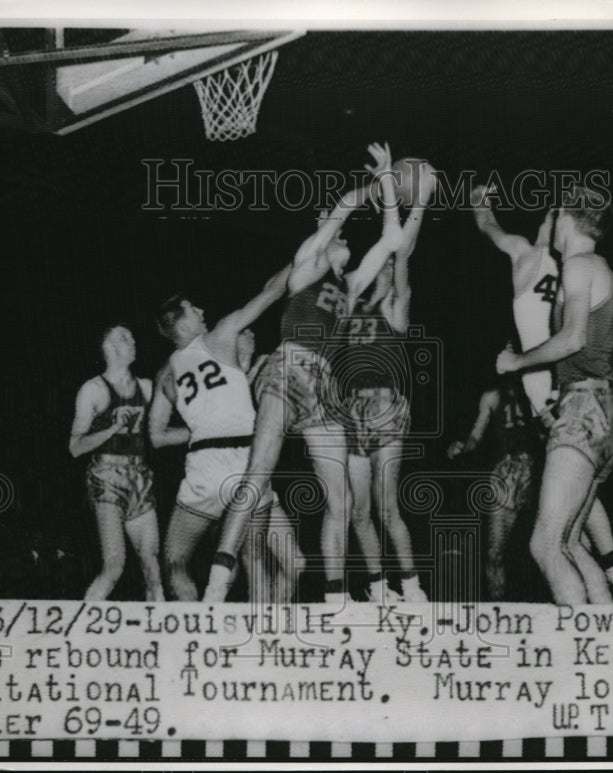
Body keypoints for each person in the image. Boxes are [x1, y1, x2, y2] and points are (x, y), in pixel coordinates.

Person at [203, 143, 407, 604]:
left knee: (344, 501)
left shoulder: (351, 286)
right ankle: (217, 584)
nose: (344, 237)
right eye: (335, 232)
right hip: (288, 367)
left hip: (323, 387)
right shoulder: (308, 261)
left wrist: (391, 184)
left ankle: (336, 597)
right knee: (257, 472)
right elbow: (343, 208)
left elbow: (392, 240)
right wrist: (374, 182)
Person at [473, 185, 613, 603]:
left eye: (551, 216)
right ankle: (612, 595)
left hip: (580, 405)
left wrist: (517, 361)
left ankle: (579, 646)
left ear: (562, 218)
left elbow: (571, 339)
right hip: (609, 414)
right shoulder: (607, 274)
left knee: (544, 545)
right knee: (568, 541)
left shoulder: (566, 264)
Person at [148, 268, 302, 602]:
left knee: (174, 561)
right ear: (183, 324)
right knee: (256, 561)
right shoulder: (220, 335)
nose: (202, 311)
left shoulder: (164, 374)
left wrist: (199, 429)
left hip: (204, 466)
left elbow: (156, 436)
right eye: (194, 309)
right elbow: (273, 289)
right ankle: (263, 641)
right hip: (246, 462)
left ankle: (201, 633)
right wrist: (303, 255)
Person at [341, 166, 437, 603]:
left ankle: (413, 586)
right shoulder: (348, 300)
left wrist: (417, 201)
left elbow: (403, 249)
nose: (381, 269)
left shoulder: (396, 307)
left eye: (387, 268)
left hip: (385, 405)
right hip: (350, 408)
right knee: (358, 511)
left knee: (386, 506)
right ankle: (380, 588)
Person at [69, 325, 164, 601]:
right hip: (107, 476)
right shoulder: (93, 389)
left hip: (140, 477)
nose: (133, 340)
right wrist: (111, 430)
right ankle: (75, 633)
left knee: (153, 570)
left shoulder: (146, 387)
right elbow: (75, 447)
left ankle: (162, 639)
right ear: (108, 347)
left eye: (133, 336)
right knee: (114, 566)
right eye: (124, 337)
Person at [447, 377, 536, 601]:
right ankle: (498, 608)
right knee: (494, 552)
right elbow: (476, 435)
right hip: (505, 473)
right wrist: (462, 445)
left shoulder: (536, 384)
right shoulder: (491, 395)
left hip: (538, 471)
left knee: (534, 550)